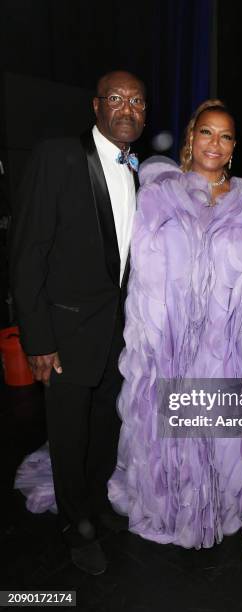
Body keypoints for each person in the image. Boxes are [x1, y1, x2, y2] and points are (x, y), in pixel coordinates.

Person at [107, 99, 242, 548]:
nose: (214, 143)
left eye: (224, 136)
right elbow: (142, 271)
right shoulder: (160, 194)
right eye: (206, 132)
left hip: (224, 345)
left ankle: (217, 507)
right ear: (191, 137)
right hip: (171, 341)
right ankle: (174, 508)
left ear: (234, 146)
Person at [10, 70, 146, 575]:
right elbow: (28, 254)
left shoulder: (138, 172)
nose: (127, 108)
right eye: (116, 98)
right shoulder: (58, 156)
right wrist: (38, 337)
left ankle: (94, 502)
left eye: (137, 101)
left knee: (106, 424)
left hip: (118, 331)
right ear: (96, 106)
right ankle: (74, 524)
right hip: (64, 333)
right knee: (67, 433)